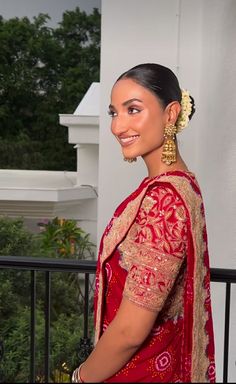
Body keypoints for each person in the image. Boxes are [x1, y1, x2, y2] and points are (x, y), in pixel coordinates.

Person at [72, 63, 216, 383]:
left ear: (170, 114)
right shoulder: (180, 186)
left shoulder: (164, 200)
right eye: (114, 113)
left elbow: (130, 332)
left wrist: (80, 377)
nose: (118, 126)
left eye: (132, 110)